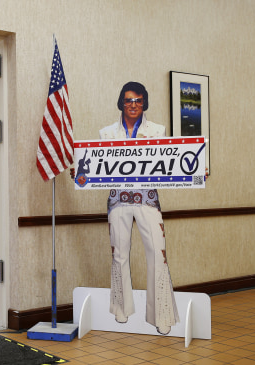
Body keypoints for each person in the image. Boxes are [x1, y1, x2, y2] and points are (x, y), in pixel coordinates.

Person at [99, 81, 179, 335]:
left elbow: (171, 162)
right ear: (121, 102)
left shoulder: (158, 130)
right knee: (119, 255)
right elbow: (97, 165)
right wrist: (81, 172)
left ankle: (161, 315)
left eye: (138, 100)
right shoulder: (107, 133)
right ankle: (121, 311)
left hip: (148, 199)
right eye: (128, 100)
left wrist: (195, 171)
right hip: (118, 200)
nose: (133, 105)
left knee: (158, 253)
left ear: (144, 102)